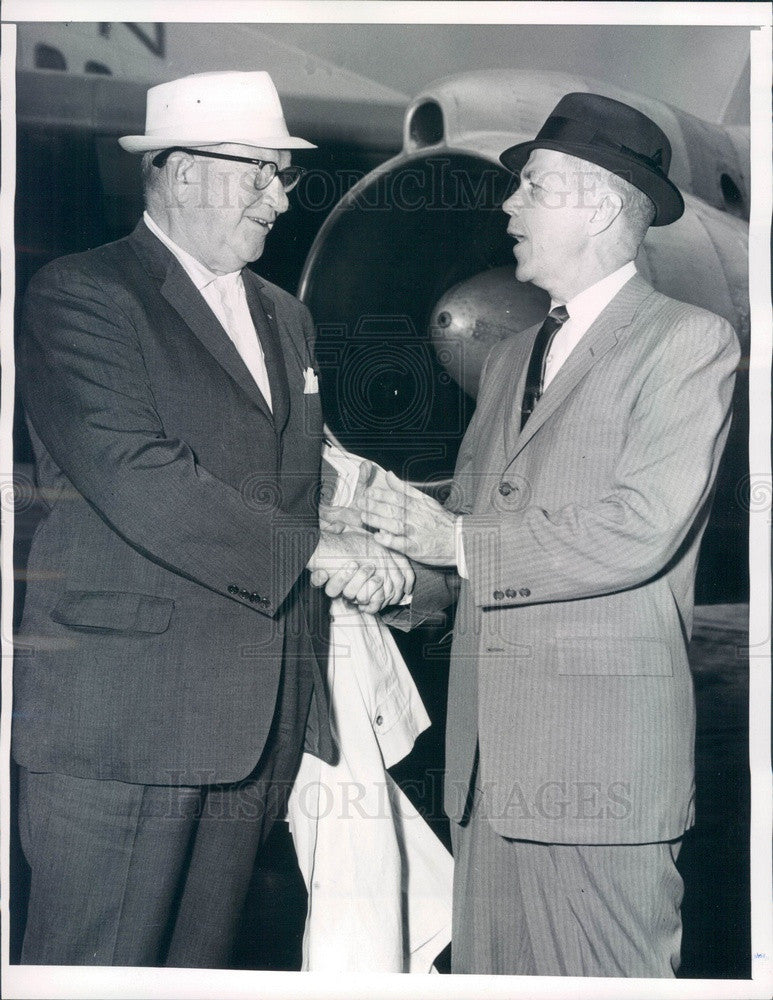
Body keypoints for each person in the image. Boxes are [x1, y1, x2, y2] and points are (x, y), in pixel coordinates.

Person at [13, 70, 410, 968]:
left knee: (199, 971)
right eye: (258, 173)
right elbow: (143, 477)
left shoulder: (286, 318)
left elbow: (298, 477)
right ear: (182, 171)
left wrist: (393, 545)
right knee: (98, 969)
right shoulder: (82, 297)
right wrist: (314, 549)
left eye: (284, 177)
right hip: (123, 727)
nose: (278, 199)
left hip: (254, 735)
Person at [353, 92, 740, 977]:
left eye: (530, 187)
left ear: (600, 204)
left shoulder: (687, 344)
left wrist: (454, 544)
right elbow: (476, 549)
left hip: (597, 781)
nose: (507, 207)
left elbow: (639, 529)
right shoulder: (506, 361)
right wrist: (398, 579)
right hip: (484, 783)